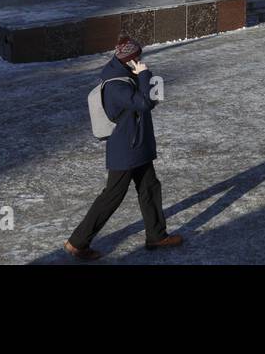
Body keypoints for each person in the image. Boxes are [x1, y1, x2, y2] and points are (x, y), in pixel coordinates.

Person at [65, 36, 183, 260]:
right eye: (138, 56)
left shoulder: (124, 74)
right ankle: (77, 242)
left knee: (149, 186)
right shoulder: (117, 85)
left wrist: (140, 76)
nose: (141, 59)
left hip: (135, 144)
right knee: (112, 196)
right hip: (126, 148)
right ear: (129, 59)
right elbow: (145, 102)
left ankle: (157, 235)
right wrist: (144, 74)